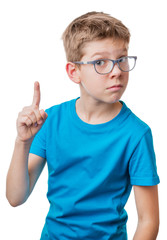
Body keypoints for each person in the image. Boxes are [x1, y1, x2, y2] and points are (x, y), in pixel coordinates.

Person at [6, 11, 160, 240]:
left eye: (122, 60)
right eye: (100, 62)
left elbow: (149, 220)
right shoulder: (50, 121)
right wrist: (23, 142)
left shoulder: (136, 134)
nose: (116, 72)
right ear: (74, 72)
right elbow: (15, 197)